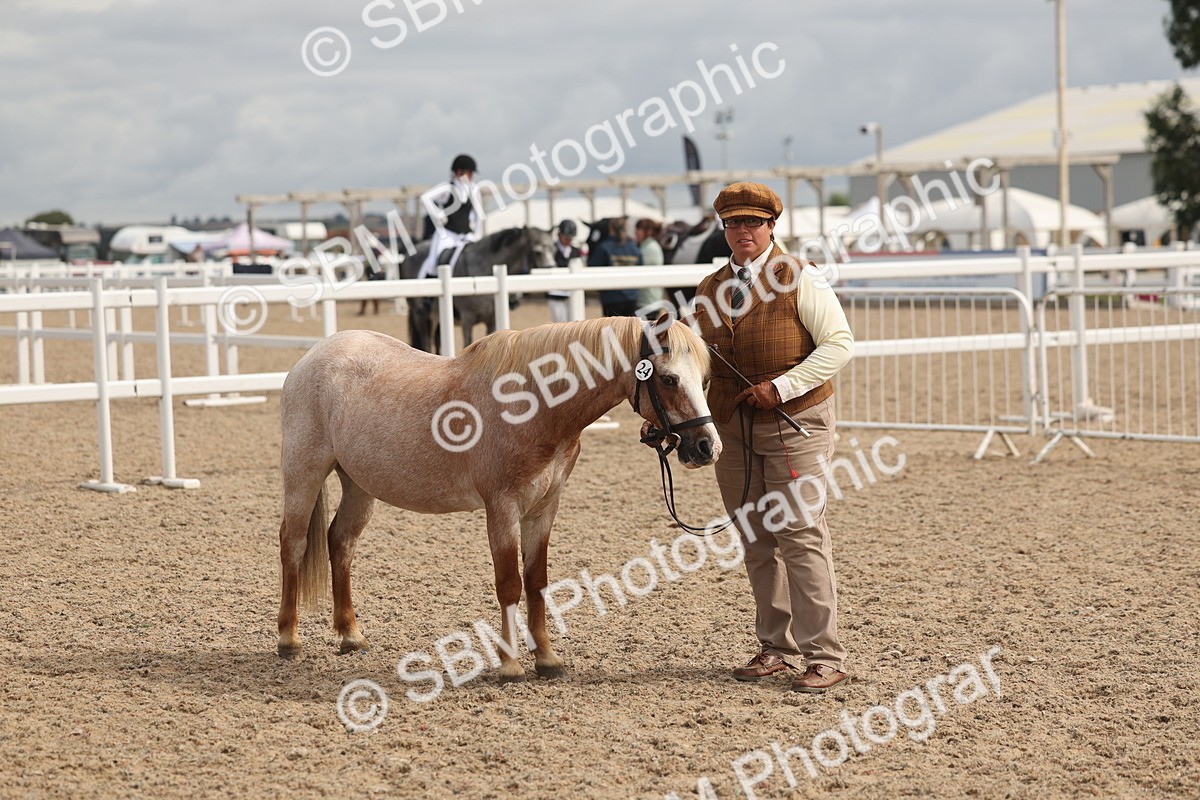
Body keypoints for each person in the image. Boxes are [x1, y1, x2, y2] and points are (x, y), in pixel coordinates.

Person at [693, 181, 854, 694]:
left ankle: (824, 654)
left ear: (771, 228)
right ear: (724, 229)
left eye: (752, 223)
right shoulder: (709, 289)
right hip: (732, 428)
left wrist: (782, 387)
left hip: (796, 423)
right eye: (733, 223)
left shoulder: (801, 277)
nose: (743, 231)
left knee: (801, 532)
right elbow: (701, 363)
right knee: (756, 538)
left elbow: (839, 344)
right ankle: (775, 647)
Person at [418, 154, 482, 279]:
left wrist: (478, 234)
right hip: (447, 234)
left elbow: (479, 215)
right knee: (433, 262)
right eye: (469, 173)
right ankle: (427, 294)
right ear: (459, 172)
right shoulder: (447, 189)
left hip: (466, 235)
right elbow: (424, 198)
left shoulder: (474, 190)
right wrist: (437, 213)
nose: (472, 177)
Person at [588, 217, 642, 317]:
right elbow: (641, 267)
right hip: (631, 297)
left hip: (611, 298)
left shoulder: (604, 247)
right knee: (630, 331)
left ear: (611, 228)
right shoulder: (633, 247)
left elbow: (593, 267)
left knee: (612, 331)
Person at [548, 219, 583, 323]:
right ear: (559, 235)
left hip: (571, 293)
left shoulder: (576, 251)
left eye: (571, 237)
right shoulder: (552, 250)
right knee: (560, 324)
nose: (569, 240)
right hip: (556, 294)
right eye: (566, 237)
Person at [634, 218, 665, 314]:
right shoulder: (646, 246)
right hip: (649, 298)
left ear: (649, 232)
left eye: (639, 229)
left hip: (648, 300)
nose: (636, 232)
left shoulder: (650, 248)